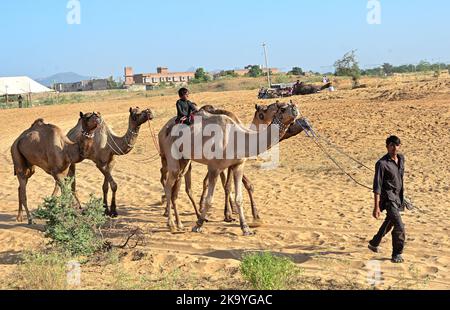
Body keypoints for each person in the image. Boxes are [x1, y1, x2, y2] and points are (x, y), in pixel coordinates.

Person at [368, 136, 406, 264]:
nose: (394, 148)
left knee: (390, 221)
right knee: (399, 226)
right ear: (387, 147)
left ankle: (374, 243)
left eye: (397, 145)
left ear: (399, 146)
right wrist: (376, 206)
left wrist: (402, 197)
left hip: (398, 198)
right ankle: (397, 254)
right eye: (391, 145)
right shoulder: (381, 164)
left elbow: (399, 179)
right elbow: (377, 186)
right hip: (388, 200)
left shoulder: (401, 159)